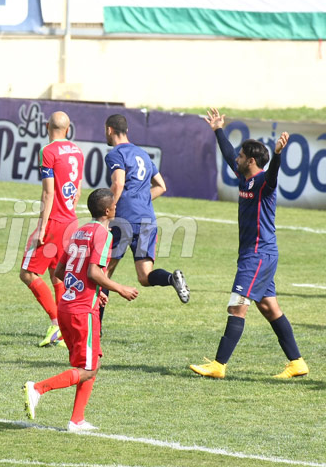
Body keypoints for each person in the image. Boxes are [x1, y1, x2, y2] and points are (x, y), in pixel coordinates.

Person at [189, 108, 308, 379]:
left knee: (236, 307)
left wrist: (277, 155)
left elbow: (274, 175)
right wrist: (218, 129)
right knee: (269, 307)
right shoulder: (245, 176)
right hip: (254, 254)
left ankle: (218, 366)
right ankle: (297, 362)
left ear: (252, 160)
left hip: (258, 255)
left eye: (242, 156)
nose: (237, 159)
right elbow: (229, 154)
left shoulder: (265, 182)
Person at [23, 188, 138, 431]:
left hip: (67, 305)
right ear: (108, 211)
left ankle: (77, 420)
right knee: (87, 369)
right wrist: (119, 288)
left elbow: (61, 272)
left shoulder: (80, 231)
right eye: (114, 205)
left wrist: (94, 292)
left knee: (93, 360)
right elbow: (94, 272)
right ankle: (38, 388)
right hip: (82, 310)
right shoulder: (104, 234)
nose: (117, 208)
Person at [102, 114, 189, 320]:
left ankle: (96, 330)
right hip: (147, 220)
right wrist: (140, 200)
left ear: (109, 130)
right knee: (145, 276)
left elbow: (118, 184)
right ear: (127, 131)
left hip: (124, 219)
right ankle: (171, 278)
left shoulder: (116, 154)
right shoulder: (142, 154)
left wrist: (109, 213)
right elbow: (161, 186)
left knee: (104, 273)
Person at [19, 111, 84, 348]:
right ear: (68, 129)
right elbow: (77, 190)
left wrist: (41, 227)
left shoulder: (48, 151)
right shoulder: (77, 151)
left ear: (47, 126)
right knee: (57, 274)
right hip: (71, 220)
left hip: (54, 221)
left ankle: (57, 324)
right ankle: (65, 331)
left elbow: (48, 192)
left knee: (27, 273)